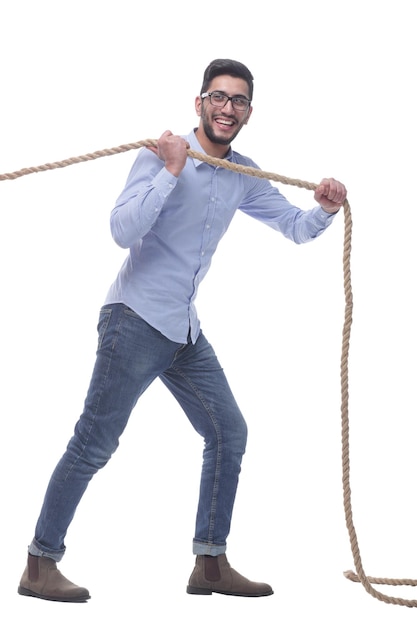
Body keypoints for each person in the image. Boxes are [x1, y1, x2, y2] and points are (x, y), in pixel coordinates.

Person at [18, 58, 347, 602]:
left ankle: (210, 565)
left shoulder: (244, 173)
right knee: (95, 442)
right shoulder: (163, 156)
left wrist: (325, 209)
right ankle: (39, 565)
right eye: (218, 97)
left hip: (184, 333)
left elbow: (295, 227)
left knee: (228, 433)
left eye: (238, 101)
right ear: (200, 103)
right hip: (134, 320)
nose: (227, 108)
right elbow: (122, 232)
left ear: (247, 113)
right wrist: (170, 172)